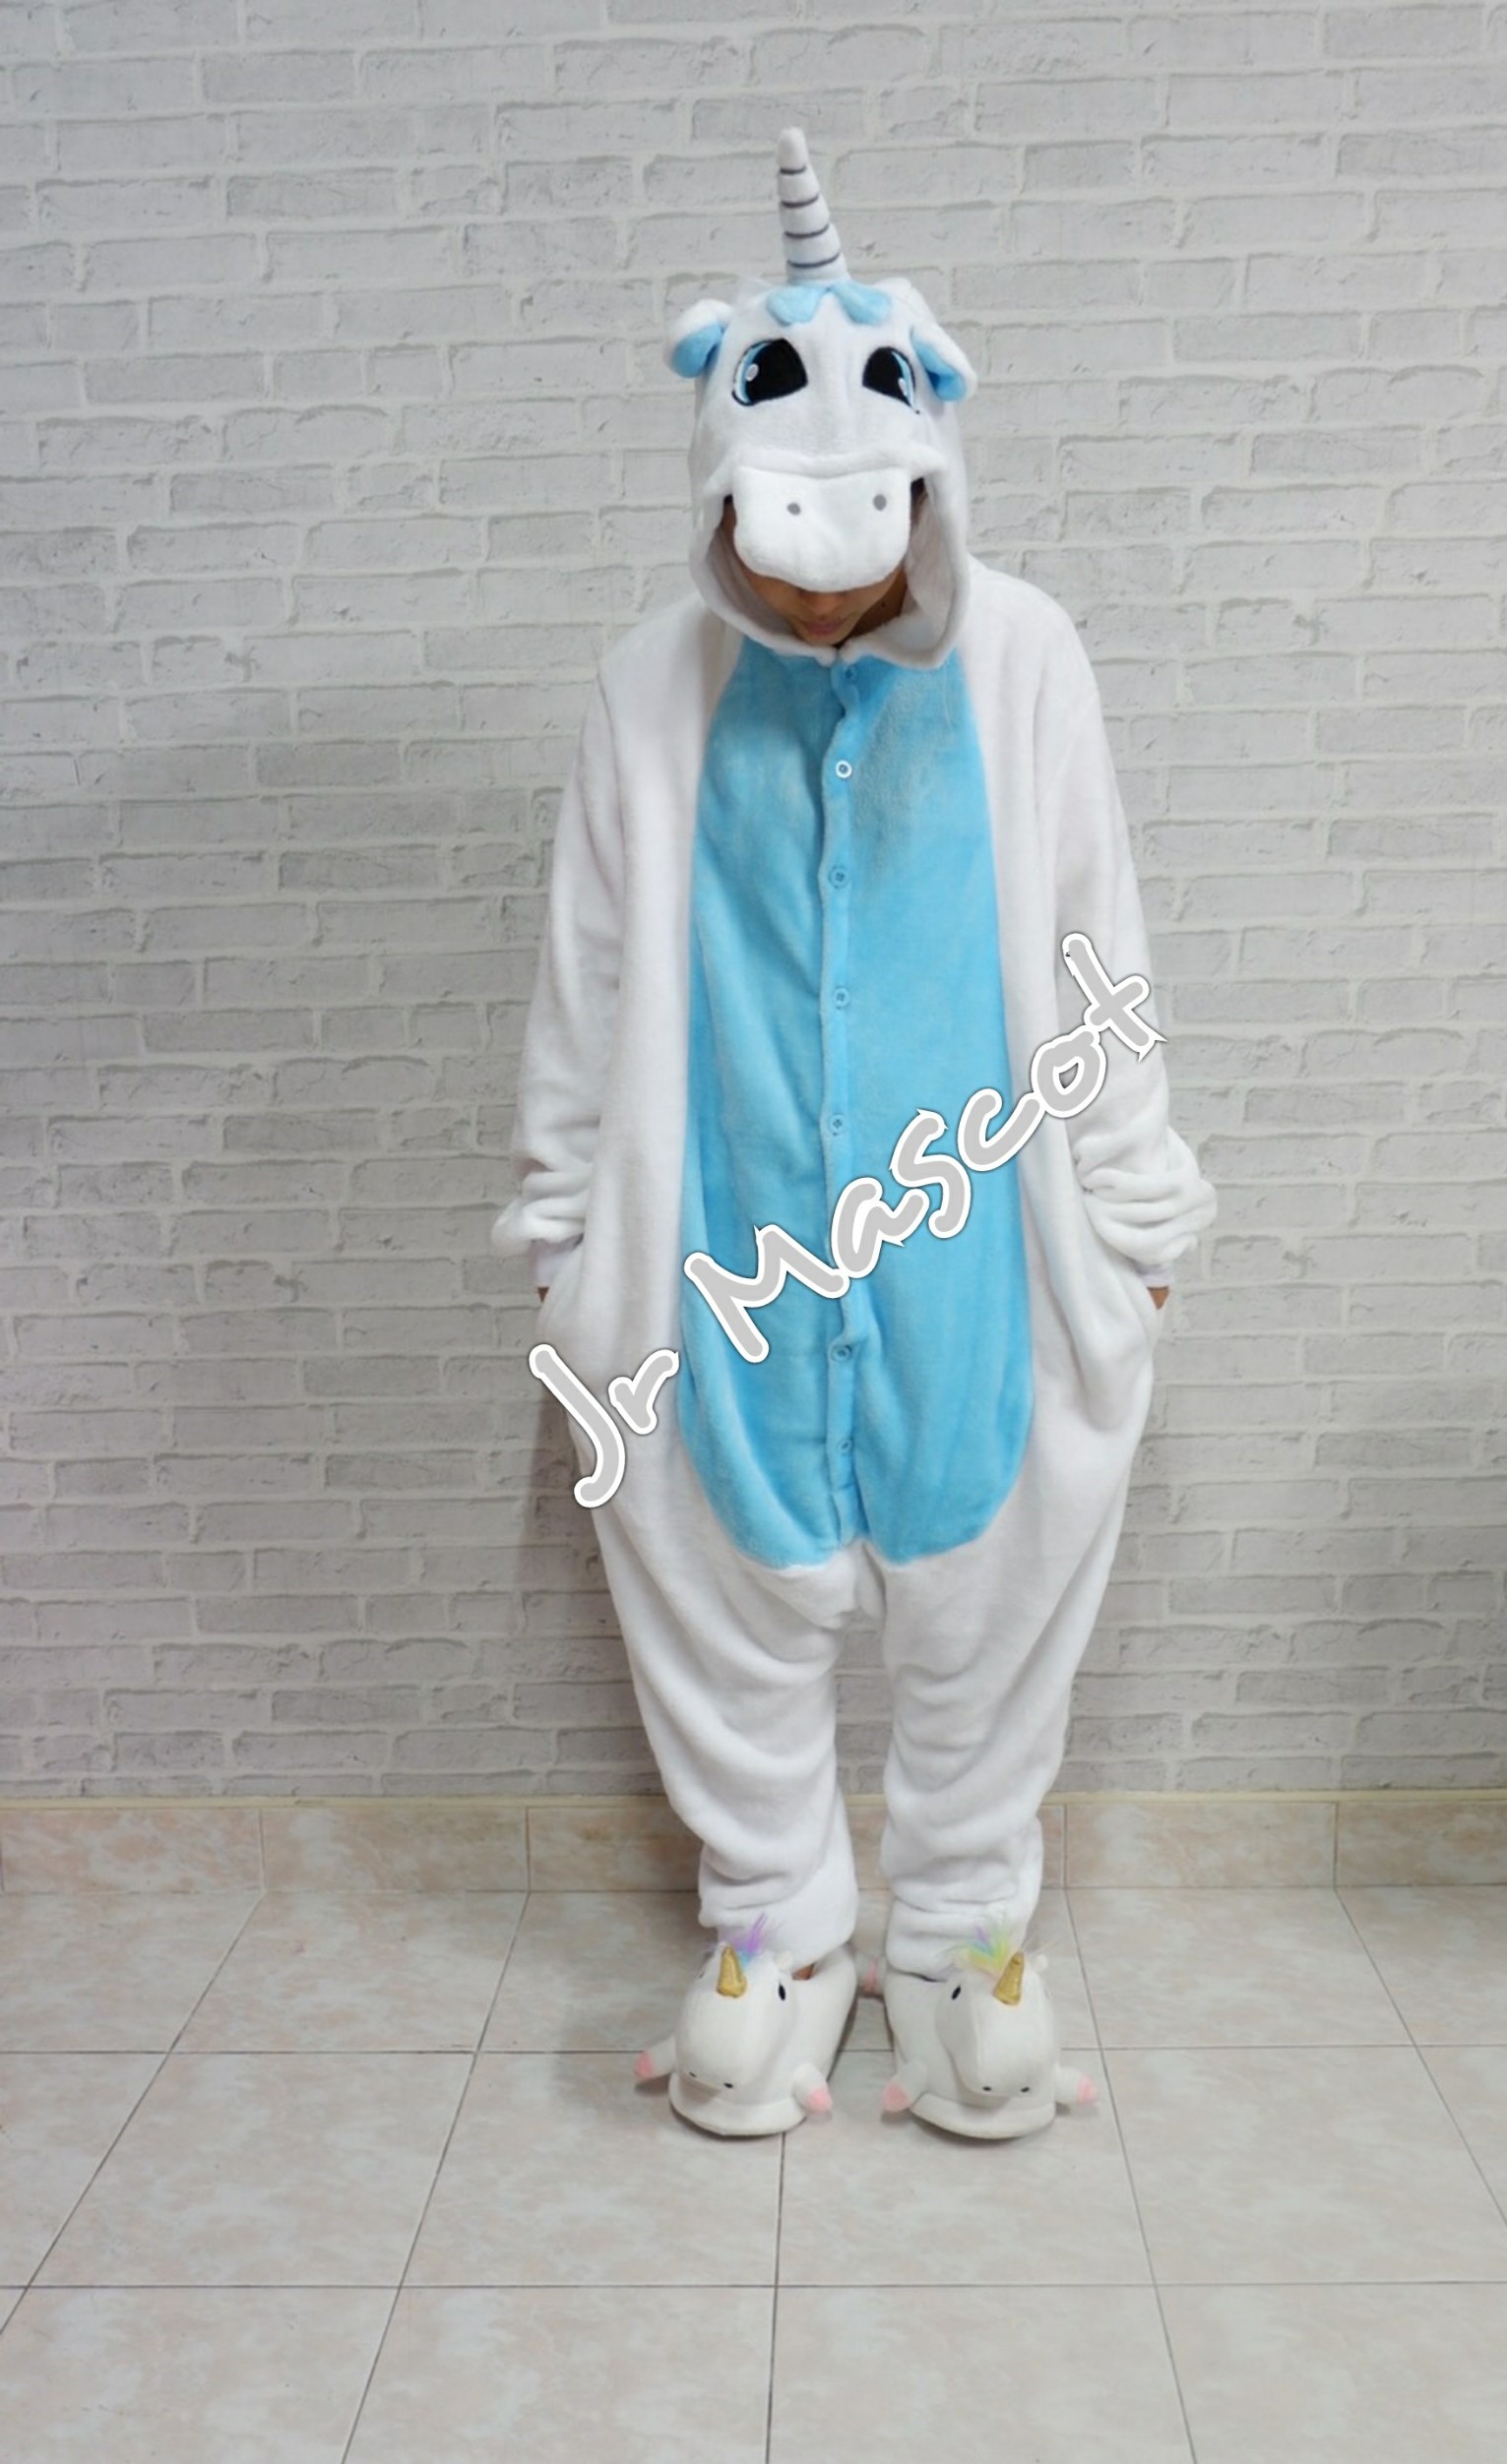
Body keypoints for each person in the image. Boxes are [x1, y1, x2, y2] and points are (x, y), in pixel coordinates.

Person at [492, 129, 1217, 2139]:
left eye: (868, 564)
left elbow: (1091, 938)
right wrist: (563, 1235)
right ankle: (779, 1924)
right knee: (720, 1590)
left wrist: (1137, 1217)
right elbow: (589, 963)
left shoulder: (1025, 659)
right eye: (779, 564)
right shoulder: (648, 687)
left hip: (981, 1239)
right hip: (715, 1249)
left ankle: (966, 1930)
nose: (825, 607)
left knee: (991, 1589)